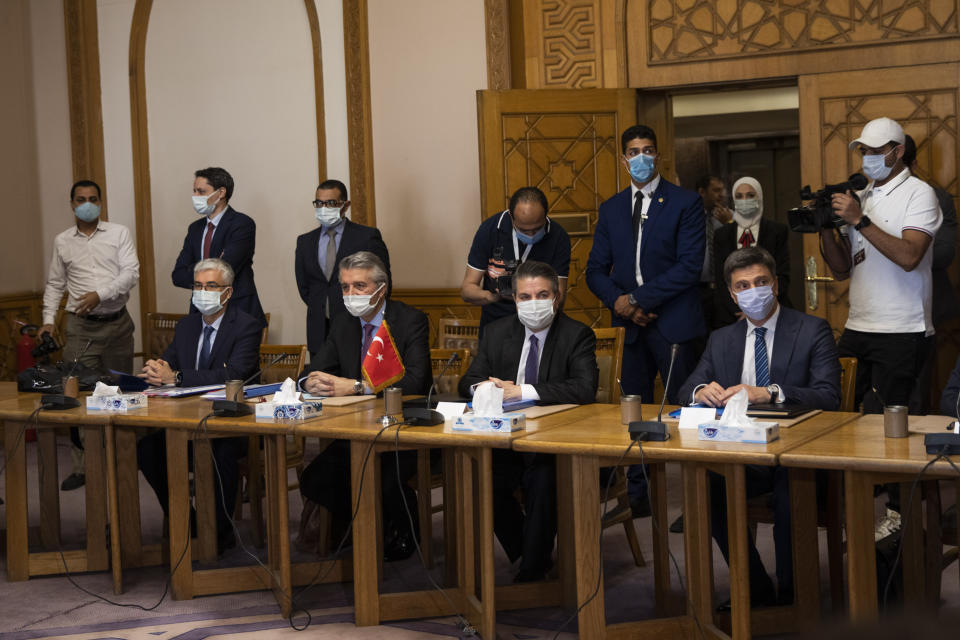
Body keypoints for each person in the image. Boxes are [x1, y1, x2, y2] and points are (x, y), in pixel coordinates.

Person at [678, 246, 841, 608]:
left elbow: (829, 396)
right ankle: (755, 586)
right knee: (704, 485)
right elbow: (686, 388)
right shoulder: (722, 338)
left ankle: (793, 593)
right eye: (743, 285)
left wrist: (770, 392)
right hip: (745, 454)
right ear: (733, 294)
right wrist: (702, 391)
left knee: (789, 489)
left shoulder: (812, 329)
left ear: (776, 285)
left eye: (761, 282)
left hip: (798, 454)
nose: (753, 291)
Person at [819, 117, 941, 537]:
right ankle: (849, 505)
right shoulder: (864, 196)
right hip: (859, 325)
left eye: (876, 150)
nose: (869, 158)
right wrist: (826, 229)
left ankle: (900, 518)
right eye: (864, 151)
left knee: (895, 430)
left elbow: (910, 255)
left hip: (903, 329)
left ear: (898, 150)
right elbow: (839, 272)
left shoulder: (919, 193)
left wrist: (858, 221)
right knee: (839, 415)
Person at [585, 124, 705, 516]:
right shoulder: (612, 208)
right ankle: (638, 496)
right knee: (632, 413)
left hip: (674, 324)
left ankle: (697, 500)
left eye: (648, 150)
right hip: (629, 330)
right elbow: (595, 270)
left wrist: (637, 299)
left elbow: (689, 267)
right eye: (633, 152)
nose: (641, 158)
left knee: (685, 412)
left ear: (658, 156)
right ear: (623, 160)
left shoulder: (685, 203)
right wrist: (620, 304)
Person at [458, 260, 598, 582]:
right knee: (479, 474)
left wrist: (523, 391)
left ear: (556, 297)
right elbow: (467, 381)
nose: (533, 303)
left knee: (543, 477)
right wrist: (487, 387)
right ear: (515, 299)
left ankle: (532, 571)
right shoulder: (496, 333)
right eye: (524, 297)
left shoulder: (577, 334)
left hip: (555, 442)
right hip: (505, 439)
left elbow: (584, 388)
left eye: (541, 294)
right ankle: (525, 549)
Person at [296, 251, 431, 561]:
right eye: (345, 287)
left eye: (359, 286)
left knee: (381, 481)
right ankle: (371, 527)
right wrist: (309, 383)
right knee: (314, 479)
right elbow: (315, 369)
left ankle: (401, 530)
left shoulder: (409, 319)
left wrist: (358, 387)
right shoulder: (344, 323)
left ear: (381, 289)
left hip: (402, 431)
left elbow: (416, 382)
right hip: (354, 431)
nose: (350, 294)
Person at [136, 258, 261, 555]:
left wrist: (177, 376)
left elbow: (234, 375)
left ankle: (218, 530)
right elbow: (169, 363)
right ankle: (188, 519)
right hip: (185, 423)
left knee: (222, 453)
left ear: (227, 293)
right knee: (147, 450)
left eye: (211, 286)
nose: (202, 292)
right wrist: (157, 369)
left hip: (231, 426)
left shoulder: (246, 326)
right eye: (198, 286)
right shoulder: (186, 326)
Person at [41, 179, 139, 491]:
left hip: (117, 325)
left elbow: (131, 273)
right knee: (77, 394)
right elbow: (56, 283)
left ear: (101, 203)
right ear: (72, 204)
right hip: (80, 326)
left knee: (118, 391)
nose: (87, 203)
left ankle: (119, 458)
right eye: (81, 199)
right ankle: (83, 466)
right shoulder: (62, 241)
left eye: (93, 199)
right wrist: (46, 320)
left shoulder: (119, 233)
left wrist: (101, 293)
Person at [295, 179, 391, 359]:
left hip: (358, 327)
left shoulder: (367, 236)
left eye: (330, 203)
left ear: (345, 205)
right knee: (320, 382)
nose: (324, 208)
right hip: (319, 331)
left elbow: (384, 284)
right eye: (319, 203)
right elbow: (305, 287)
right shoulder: (305, 242)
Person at [461, 186, 570, 338]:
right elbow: (467, 289)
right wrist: (493, 296)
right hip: (496, 325)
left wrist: (533, 298)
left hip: (542, 326)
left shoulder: (558, 236)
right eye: (524, 230)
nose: (531, 235)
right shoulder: (490, 230)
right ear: (511, 217)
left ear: (546, 216)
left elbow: (560, 295)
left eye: (537, 229)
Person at [902, 134, 958, 413]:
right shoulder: (865, 199)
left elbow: (945, 254)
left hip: (923, 308)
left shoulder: (936, 197)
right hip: (873, 312)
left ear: (912, 162)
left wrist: (907, 246)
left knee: (915, 397)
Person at [172, 167, 266, 328]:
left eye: (201, 192)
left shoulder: (242, 224)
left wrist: (195, 270)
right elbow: (178, 275)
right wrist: (213, 263)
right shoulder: (195, 228)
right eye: (194, 191)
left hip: (237, 310)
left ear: (221, 192)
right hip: (199, 313)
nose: (195, 197)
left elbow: (224, 270)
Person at [712, 176, 792, 327]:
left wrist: (758, 309)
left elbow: (782, 274)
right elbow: (721, 279)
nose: (744, 200)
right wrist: (740, 310)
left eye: (750, 195)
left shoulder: (776, 231)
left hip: (771, 312)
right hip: (732, 316)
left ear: (759, 197)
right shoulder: (722, 234)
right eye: (739, 196)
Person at [695, 174, 733, 334]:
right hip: (698, 290)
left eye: (722, 190)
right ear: (702, 192)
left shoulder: (728, 216)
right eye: (716, 190)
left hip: (722, 289)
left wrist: (729, 224)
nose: (721, 195)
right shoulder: (690, 218)